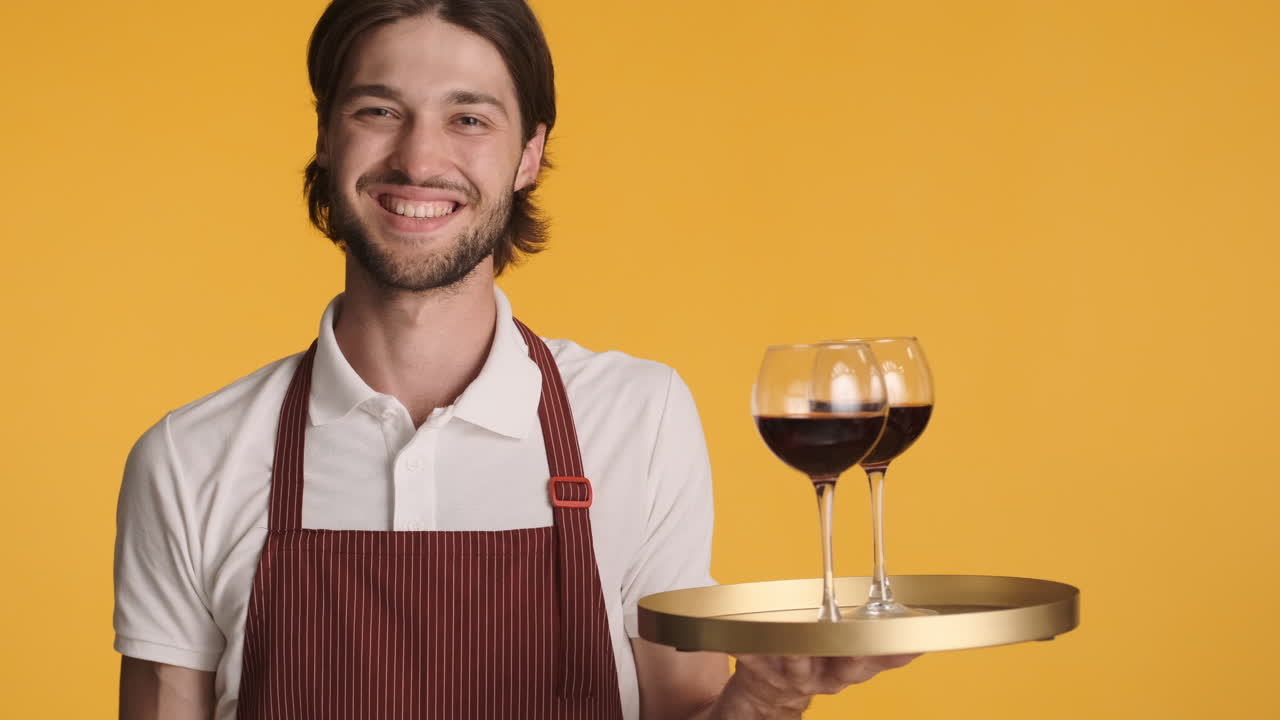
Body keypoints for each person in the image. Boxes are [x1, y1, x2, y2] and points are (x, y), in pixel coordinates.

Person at [113, 1, 916, 718]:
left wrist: (765, 696)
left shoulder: (637, 417)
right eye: (380, 109)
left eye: (469, 119)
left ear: (529, 153)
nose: (420, 159)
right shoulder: (189, 459)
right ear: (325, 135)